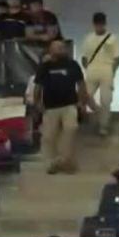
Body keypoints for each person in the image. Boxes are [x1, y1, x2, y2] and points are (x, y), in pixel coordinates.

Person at [33, 39, 90, 175]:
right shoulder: (45, 66)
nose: (61, 49)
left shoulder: (72, 65)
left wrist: (82, 102)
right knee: (49, 137)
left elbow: (81, 84)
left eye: (62, 47)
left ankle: (66, 162)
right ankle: (51, 163)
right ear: (50, 50)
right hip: (50, 107)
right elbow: (38, 86)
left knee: (71, 130)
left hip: (69, 105)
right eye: (57, 47)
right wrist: (37, 102)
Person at [81, 12, 119, 136]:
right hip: (92, 69)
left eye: (101, 24)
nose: (99, 26)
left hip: (107, 69)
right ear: (94, 24)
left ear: (105, 24)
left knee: (106, 100)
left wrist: (112, 73)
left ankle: (103, 126)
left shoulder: (112, 38)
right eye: (97, 24)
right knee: (86, 96)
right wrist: (87, 68)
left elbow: (117, 59)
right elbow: (84, 57)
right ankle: (99, 113)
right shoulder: (88, 38)